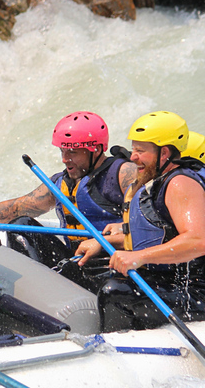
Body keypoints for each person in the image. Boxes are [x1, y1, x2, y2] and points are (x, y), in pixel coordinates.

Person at [0, 111, 137, 290]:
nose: (64, 159)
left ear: (96, 149)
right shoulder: (60, 183)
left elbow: (151, 226)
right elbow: (17, 208)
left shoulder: (123, 174)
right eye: (62, 150)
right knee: (23, 226)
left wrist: (102, 241)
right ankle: (39, 292)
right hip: (76, 263)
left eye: (72, 152)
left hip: (112, 266)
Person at [76, 111, 205, 331]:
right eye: (133, 149)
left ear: (164, 153)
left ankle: (115, 354)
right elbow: (157, 234)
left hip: (193, 292)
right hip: (163, 280)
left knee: (114, 293)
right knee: (91, 271)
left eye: (140, 150)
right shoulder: (157, 183)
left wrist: (138, 257)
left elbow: (197, 240)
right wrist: (108, 241)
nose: (133, 157)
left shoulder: (180, 183)